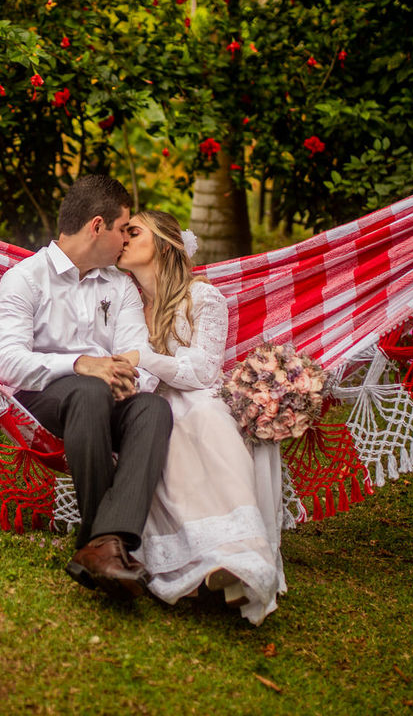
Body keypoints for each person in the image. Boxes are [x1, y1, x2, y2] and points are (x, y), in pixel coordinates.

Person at [0, 174, 172, 601]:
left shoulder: (119, 285)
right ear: (96, 227)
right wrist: (79, 364)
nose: (126, 241)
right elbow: (8, 363)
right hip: (46, 395)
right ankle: (106, 544)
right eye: (123, 229)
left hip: (108, 391)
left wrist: (132, 381)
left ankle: (100, 545)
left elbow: (137, 352)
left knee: (153, 409)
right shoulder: (26, 279)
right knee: (87, 391)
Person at [117, 210, 286, 624]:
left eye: (133, 232)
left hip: (199, 398)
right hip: (153, 403)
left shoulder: (202, 297)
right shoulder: (129, 304)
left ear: (162, 244)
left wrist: (146, 358)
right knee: (158, 428)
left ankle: (234, 555)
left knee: (205, 421)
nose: (122, 239)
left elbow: (203, 371)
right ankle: (192, 562)